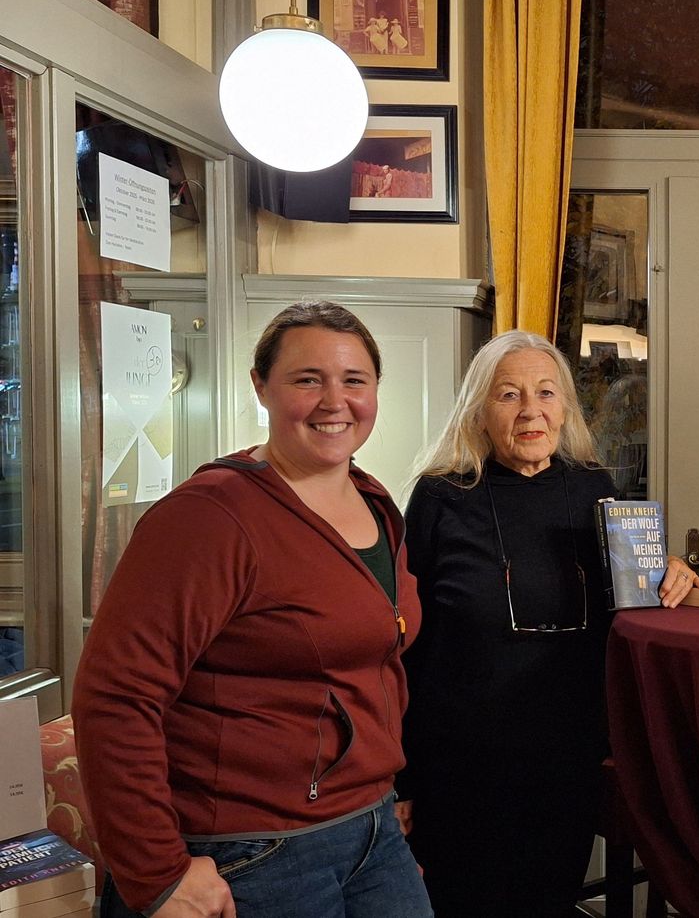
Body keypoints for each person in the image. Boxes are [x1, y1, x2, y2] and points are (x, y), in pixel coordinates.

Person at [73, 301, 433, 918]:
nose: (333, 401)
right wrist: (157, 873)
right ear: (260, 388)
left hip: (369, 834)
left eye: (354, 380)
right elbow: (115, 696)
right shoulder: (211, 516)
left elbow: (374, 667)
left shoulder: (375, 503)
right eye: (306, 379)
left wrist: (386, 791)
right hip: (252, 852)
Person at [395, 330, 699, 917]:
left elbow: (631, 608)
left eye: (546, 392)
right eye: (508, 395)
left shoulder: (595, 489)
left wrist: (671, 573)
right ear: (479, 411)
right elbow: (406, 648)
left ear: (566, 407)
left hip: (565, 757)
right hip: (462, 766)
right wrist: (401, 780)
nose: (530, 410)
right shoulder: (440, 497)